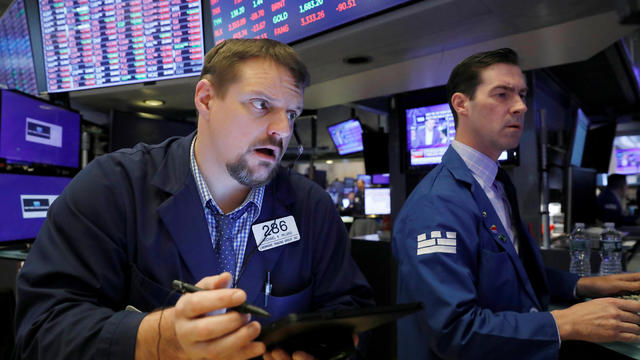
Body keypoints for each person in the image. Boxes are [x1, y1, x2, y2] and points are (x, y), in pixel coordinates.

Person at [14, 39, 373, 360]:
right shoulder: (111, 186)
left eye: (291, 113)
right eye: (261, 104)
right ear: (206, 99)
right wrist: (154, 341)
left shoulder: (312, 208)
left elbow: (347, 311)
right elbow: (40, 331)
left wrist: (323, 353)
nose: (282, 129)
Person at [392, 48, 640, 360]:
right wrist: (564, 322)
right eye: (502, 94)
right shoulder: (435, 205)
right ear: (461, 104)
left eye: (522, 94)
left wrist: (584, 285)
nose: (520, 106)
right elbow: (454, 331)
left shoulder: (495, 183)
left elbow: (513, 277)